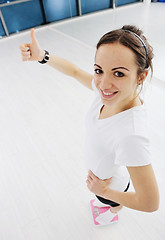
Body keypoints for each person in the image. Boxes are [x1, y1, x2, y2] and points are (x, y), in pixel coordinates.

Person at [19, 25, 159, 226]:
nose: (103, 84)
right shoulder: (109, 94)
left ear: (141, 76)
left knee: (112, 203)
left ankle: (112, 213)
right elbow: (75, 72)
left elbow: (149, 202)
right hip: (104, 177)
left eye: (118, 74)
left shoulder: (131, 135)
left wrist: (104, 192)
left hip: (112, 186)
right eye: (98, 70)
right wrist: (42, 56)